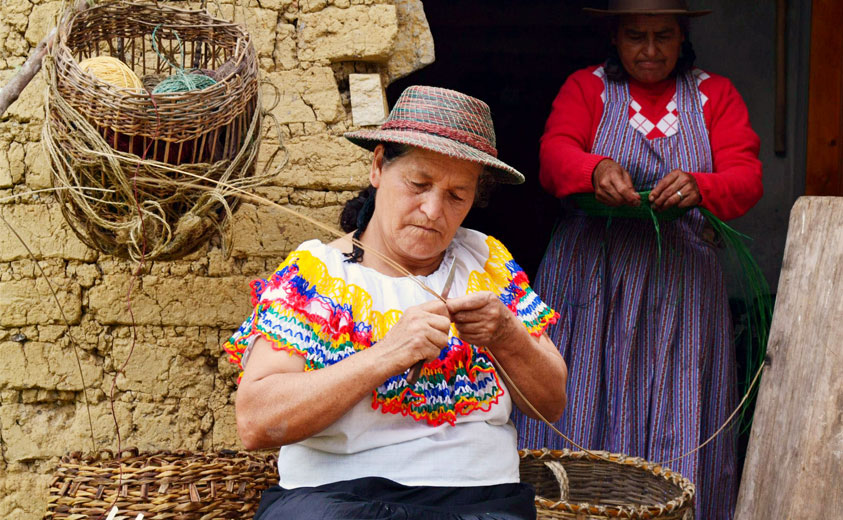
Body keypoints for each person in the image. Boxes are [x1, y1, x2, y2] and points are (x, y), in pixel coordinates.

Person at [224, 85, 568, 520]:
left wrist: (506, 335)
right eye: (418, 184)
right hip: (338, 502)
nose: (432, 209)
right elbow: (256, 422)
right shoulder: (317, 275)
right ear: (378, 166)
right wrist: (387, 354)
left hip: (481, 503)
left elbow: (551, 403)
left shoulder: (486, 262)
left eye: (457, 195)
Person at [514, 1, 763, 518]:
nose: (650, 50)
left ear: (683, 35)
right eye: (635, 36)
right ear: (613, 37)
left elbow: (746, 176)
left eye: (663, 36)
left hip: (682, 281)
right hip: (592, 278)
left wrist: (703, 184)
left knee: (680, 399)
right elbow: (554, 153)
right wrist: (594, 168)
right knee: (583, 391)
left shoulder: (714, 94)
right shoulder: (588, 89)